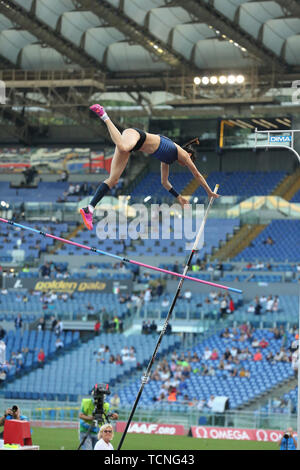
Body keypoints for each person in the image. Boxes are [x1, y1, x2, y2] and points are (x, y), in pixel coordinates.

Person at [79, 104, 219, 230]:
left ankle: (89, 208)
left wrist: (179, 197)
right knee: (122, 145)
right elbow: (197, 174)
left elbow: (164, 182)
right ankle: (103, 115)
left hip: (134, 146)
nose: (188, 163)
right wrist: (209, 191)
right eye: (191, 160)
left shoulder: (168, 159)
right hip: (136, 135)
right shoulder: (182, 153)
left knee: (113, 179)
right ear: (189, 154)